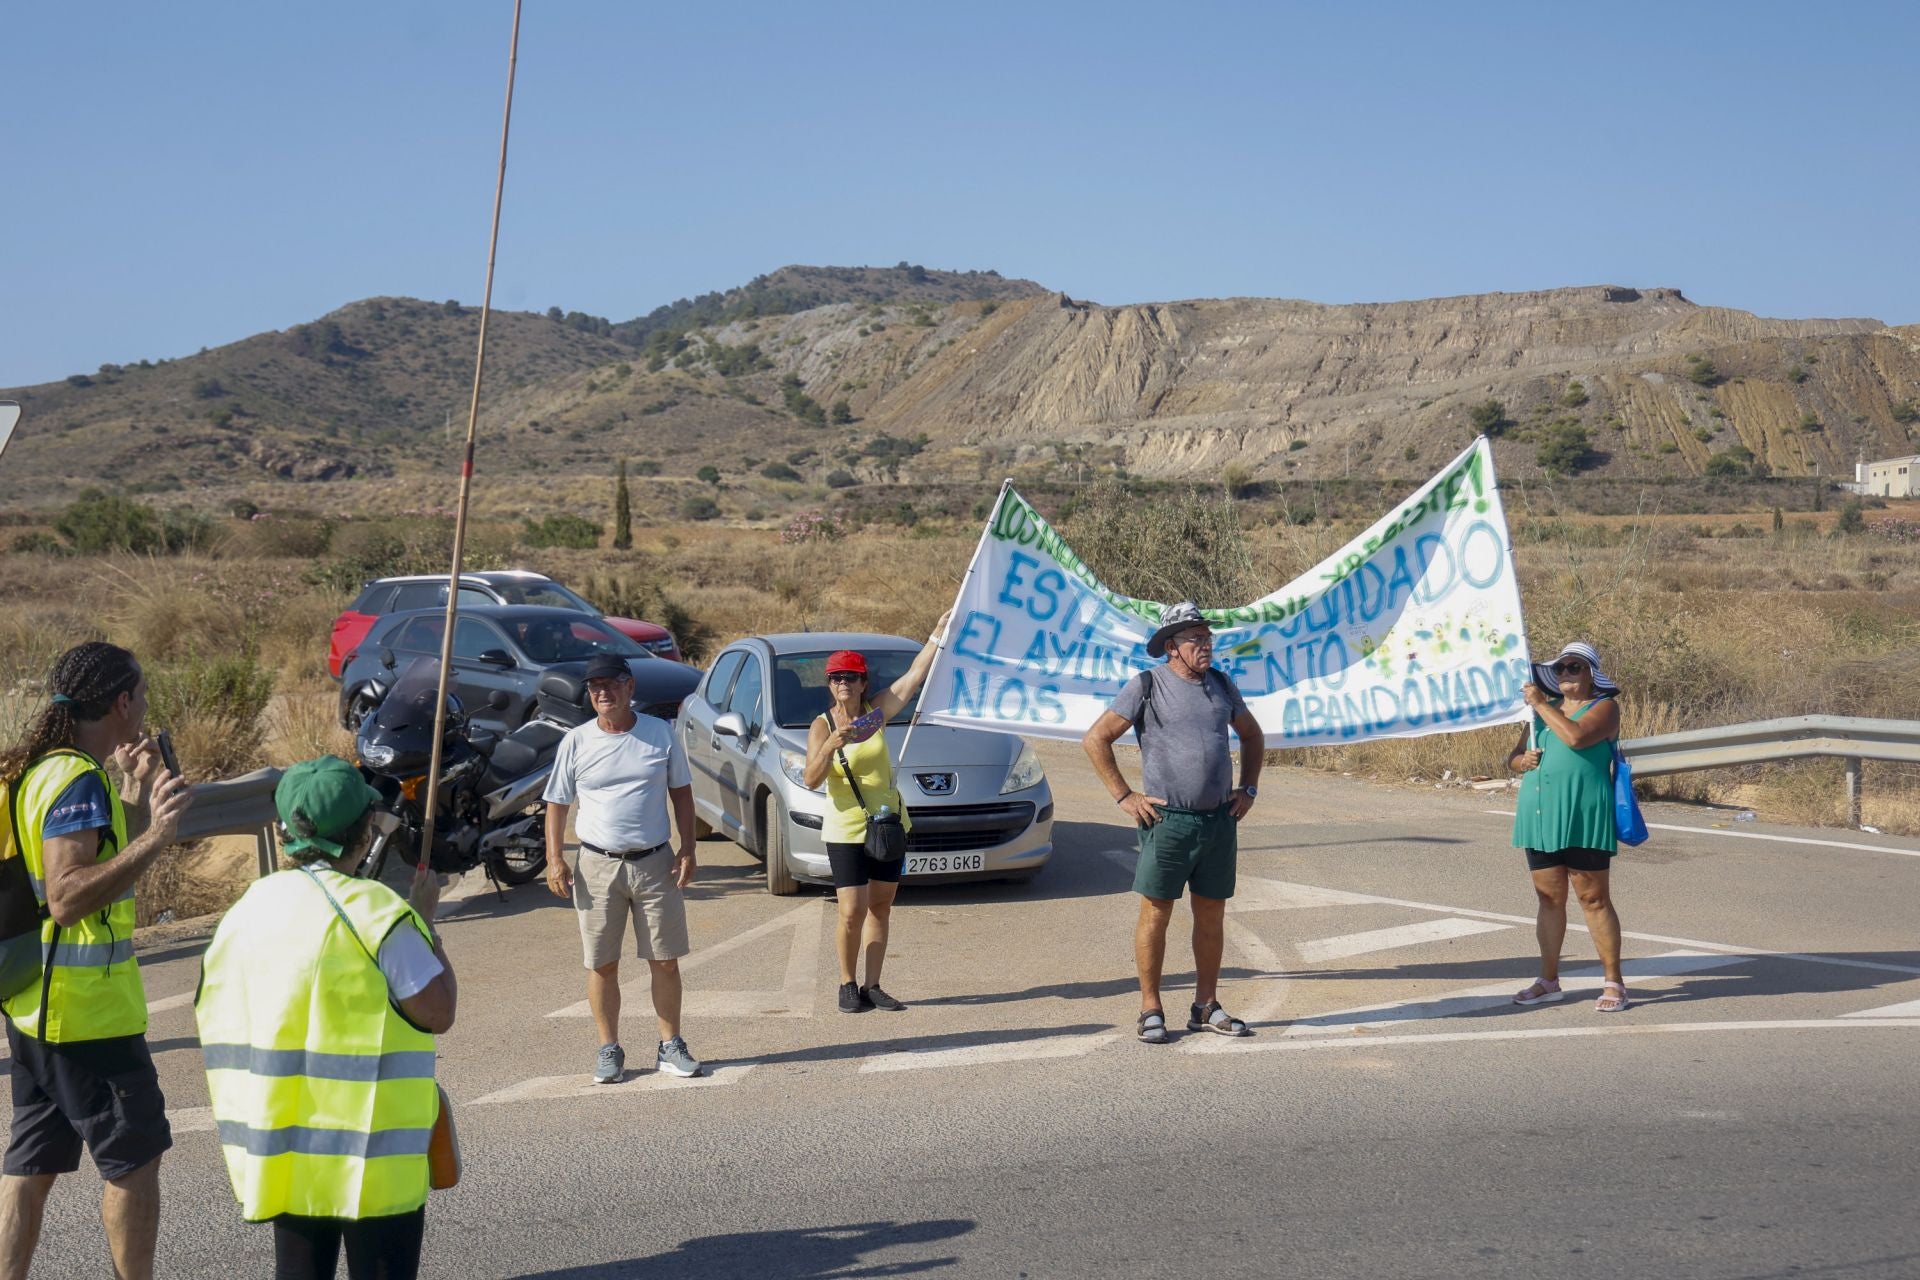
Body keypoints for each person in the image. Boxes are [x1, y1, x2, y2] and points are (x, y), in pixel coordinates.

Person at [195, 756, 457, 1280]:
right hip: (373, 1161)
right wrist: (427, 925)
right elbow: (437, 1011)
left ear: (285, 830)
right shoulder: (378, 912)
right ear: (365, 831)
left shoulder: (246, 910)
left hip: (285, 1149)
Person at [0, 641, 192, 1280]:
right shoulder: (78, 779)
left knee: (32, 1165)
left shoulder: (42, 768)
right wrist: (159, 836)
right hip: (87, 1017)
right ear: (121, 702)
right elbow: (67, 895)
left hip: (34, 1006)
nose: (144, 710)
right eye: (141, 696)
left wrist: (135, 803)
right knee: (134, 1160)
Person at [1082, 601, 1265, 1045]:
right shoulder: (1147, 685)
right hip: (1168, 822)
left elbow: (1253, 735)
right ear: (1171, 647)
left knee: (1211, 915)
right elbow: (1096, 738)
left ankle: (1206, 1006)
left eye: (1207, 638)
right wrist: (1125, 796)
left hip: (1219, 821)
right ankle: (1150, 1007)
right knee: (1156, 914)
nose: (1205, 646)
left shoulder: (1222, 685)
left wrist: (1249, 788)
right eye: (1195, 639)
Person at [543, 653, 702, 1083]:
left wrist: (687, 848)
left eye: (611, 684)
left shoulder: (659, 733)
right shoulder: (575, 741)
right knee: (601, 964)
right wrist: (554, 858)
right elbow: (556, 804)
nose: (602, 693)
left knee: (665, 960)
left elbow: (682, 795)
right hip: (596, 866)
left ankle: (670, 1046)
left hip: (656, 864)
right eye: (595, 686)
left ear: (630, 687)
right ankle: (608, 1049)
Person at [800, 614, 950, 1015]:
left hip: (886, 826)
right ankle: (847, 984)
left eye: (851, 677)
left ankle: (874, 985)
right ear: (829, 684)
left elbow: (916, 675)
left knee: (881, 907)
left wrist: (937, 634)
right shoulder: (820, 725)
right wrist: (831, 744)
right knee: (851, 911)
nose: (843, 683)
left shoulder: (875, 714)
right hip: (845, 829)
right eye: (836, 678)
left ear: (864, 682)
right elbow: (812, 779)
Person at [1508, 641, 1629, 1013]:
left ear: (1591, 674)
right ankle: (1548, 980)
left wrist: (1541, 704)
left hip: (1583, 813)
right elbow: (1512, 758)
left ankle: (1614, 982)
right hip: (1541, 813)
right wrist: (1521, 760)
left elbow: (1577, 737)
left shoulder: (1605, 708)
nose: (1565, 674)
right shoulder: (1541, 714)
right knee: (1548, 897)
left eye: (1573, 667)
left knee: (1592, 898)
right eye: (1560, 668)